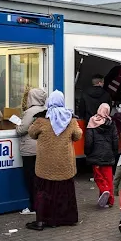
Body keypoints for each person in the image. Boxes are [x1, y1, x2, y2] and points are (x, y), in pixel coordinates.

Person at [26, 90, 83, 231]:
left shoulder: (41, 119)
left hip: (46, 165)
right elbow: (77, 136)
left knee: (44, 192)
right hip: (65, 164)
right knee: (65, 192)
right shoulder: (70, 119)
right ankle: (66, 219)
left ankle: (41, 221)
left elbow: (31, 133)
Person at [15, 87, 47, 215]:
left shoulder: (30, 112)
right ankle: (42, 204)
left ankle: (34, 206)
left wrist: (17, 125)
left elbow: (21, 130)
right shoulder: (45, 110)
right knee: (40, 179)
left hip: (29, 150)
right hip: (42, 148)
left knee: (31, 179)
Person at [84, 103, 119, 208]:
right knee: (108, 178)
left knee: (99, 177)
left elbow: (89, 141)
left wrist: (87, 152)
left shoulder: (92, 121)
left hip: (95, 155)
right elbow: (115, 139)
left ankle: (105, 191)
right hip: (108, 154)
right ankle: (110, 200)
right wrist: (114, 152)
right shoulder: (111, 123)